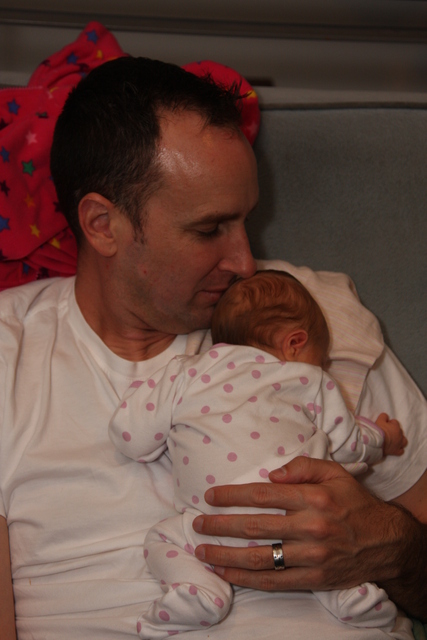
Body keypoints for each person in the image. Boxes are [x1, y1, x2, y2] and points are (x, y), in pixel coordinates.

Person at [0, 55, 426, 640]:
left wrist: (394, 547)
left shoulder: (307, 313)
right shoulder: (10, 355)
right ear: (102, 225)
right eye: (209, 229)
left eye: (247, 219)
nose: (246, 263)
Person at [109, 269, 408, 638]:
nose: (324, 366)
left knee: (163, 538)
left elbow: (131, 439)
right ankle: (348, 594)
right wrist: (382, 436)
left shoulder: (187, 372)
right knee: (322, 551)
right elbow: (349, 447)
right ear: (295, 343)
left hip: (212, 528)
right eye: (323, 358)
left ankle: (199, 590)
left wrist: (141, 402)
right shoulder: (310, 379)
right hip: (298, 522)